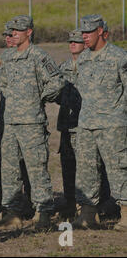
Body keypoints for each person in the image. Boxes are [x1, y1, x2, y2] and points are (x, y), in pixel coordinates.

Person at [0, 15, 64, 231]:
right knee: (10, 169)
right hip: (11, 123)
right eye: (12, 30)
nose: (13, 33)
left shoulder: (38, 56)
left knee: (36, 169)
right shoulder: (7, 56)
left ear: (29, 32)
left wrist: (39, 97)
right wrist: (14, 98)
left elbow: (57, 80)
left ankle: (43, 213)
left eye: (18, 30)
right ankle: (13, 212)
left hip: (32, 123)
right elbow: (2, 83)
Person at [73, 14, 127, 231]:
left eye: (89, 32)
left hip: (112, 124)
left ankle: (125, 212)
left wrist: (119, 114)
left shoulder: (119, 57)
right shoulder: (84, 59)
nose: (84, 37)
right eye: (83, 32)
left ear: (101, 32)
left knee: (118, 169)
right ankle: (88, 214)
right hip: (86, 123)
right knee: (86, 170)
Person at [0, 22, 32, 223]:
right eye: (5, 35)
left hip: (29, 121)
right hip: (7, 119)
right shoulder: (3, 60)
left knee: (31, 165)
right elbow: (0, 85)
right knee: (7, 164)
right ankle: (7, 205)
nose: (8, 38)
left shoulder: (34, 57)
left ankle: (31, 203)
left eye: (12, 34)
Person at [55, 29, 84, 220]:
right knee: (67, 164)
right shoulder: (63, 67)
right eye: (70, 41)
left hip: (84, 125)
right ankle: (70, 202)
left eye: (76, 41)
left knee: (86, 167)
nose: (72, 44)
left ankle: (87, 205)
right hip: (67, 124)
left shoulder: (90, 66)